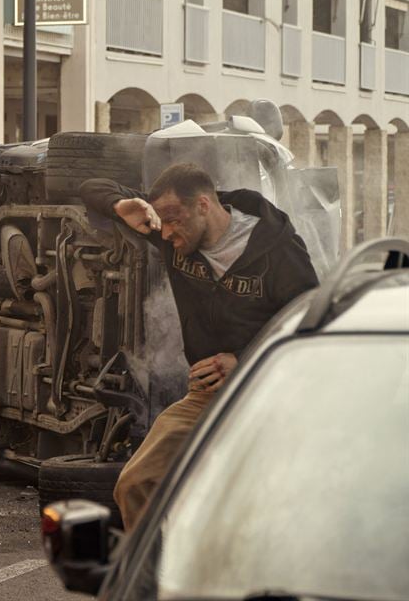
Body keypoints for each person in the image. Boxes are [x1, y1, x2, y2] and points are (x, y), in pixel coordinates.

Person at [79, 163, 318, 530]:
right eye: (163, 220)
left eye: (174, 219)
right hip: (206, 394)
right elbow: (92, 185)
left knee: (261, 505)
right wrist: (120, 205)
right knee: (136, 482)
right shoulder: (170, 230)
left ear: (204, 205)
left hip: (270, 393)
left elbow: (310, 322)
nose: (167, 231)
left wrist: (245, 359)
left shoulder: (279, 250)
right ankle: (156, 581)